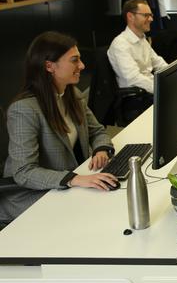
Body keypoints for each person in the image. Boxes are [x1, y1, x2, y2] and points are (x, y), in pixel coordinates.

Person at [0, 32, 117, 225]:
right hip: (33, 194)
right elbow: (24, 171)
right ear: (49, 66)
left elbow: (97, 131)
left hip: (68, 183)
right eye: (74, 60)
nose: (82, 66)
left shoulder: (72, 94)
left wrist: (101, 149)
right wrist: (74, 179)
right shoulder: (24, 109)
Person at [107, 0, 168, 121]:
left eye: (151, 15)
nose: (151, 19)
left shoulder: (142, 39)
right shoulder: (120, 44)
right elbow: (134, 78)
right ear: (130, 16)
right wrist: (163, 88)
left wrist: (173, 77)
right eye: (146, 15)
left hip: (148, 91)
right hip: (135, 99)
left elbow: (158, 63)